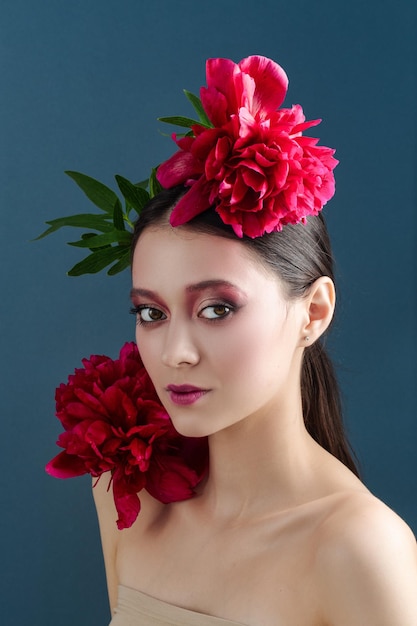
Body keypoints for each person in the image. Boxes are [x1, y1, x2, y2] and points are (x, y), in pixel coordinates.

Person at [47, 55, 417, 625]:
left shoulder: (358, 549)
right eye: (151, 313)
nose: (175, 353)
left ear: (313, 312)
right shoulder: (127, 497)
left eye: (217, 309)